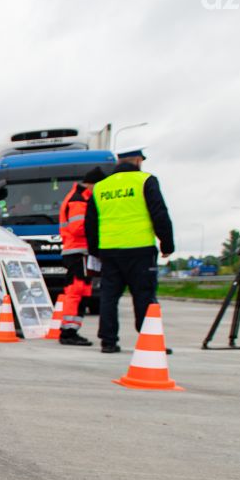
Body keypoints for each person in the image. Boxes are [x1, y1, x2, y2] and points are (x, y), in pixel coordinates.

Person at [85, 149, 175, 354]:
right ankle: (148, 340)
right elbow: (159, 212)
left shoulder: (100, 187)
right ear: (137, 161)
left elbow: (90, 223)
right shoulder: (146, 180)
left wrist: (94, 251)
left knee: (108, 297)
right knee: (144, 296)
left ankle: (108, 342)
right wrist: (167, 244)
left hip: (109, 251)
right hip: (140, 249)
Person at [55, 167, 107, 346]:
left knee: (82, 291)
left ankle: (72, 329)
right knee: (76, 291)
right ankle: (68, 331)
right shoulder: (79, 200)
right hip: (77, 252)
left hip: (80, 252)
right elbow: (78, 228)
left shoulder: (81, 197)